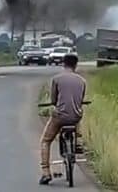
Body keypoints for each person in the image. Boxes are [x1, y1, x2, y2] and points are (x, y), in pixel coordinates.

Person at [39, 53, 86, 185]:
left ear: (63, 64)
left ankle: (46, 172)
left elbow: (54, 100)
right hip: (75, 116)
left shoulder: (56, 79)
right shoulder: (82, 81)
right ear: (75, 65)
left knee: (45, 141)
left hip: (60, 117)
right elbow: (80, 100)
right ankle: (78, 142)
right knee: (77, 115)